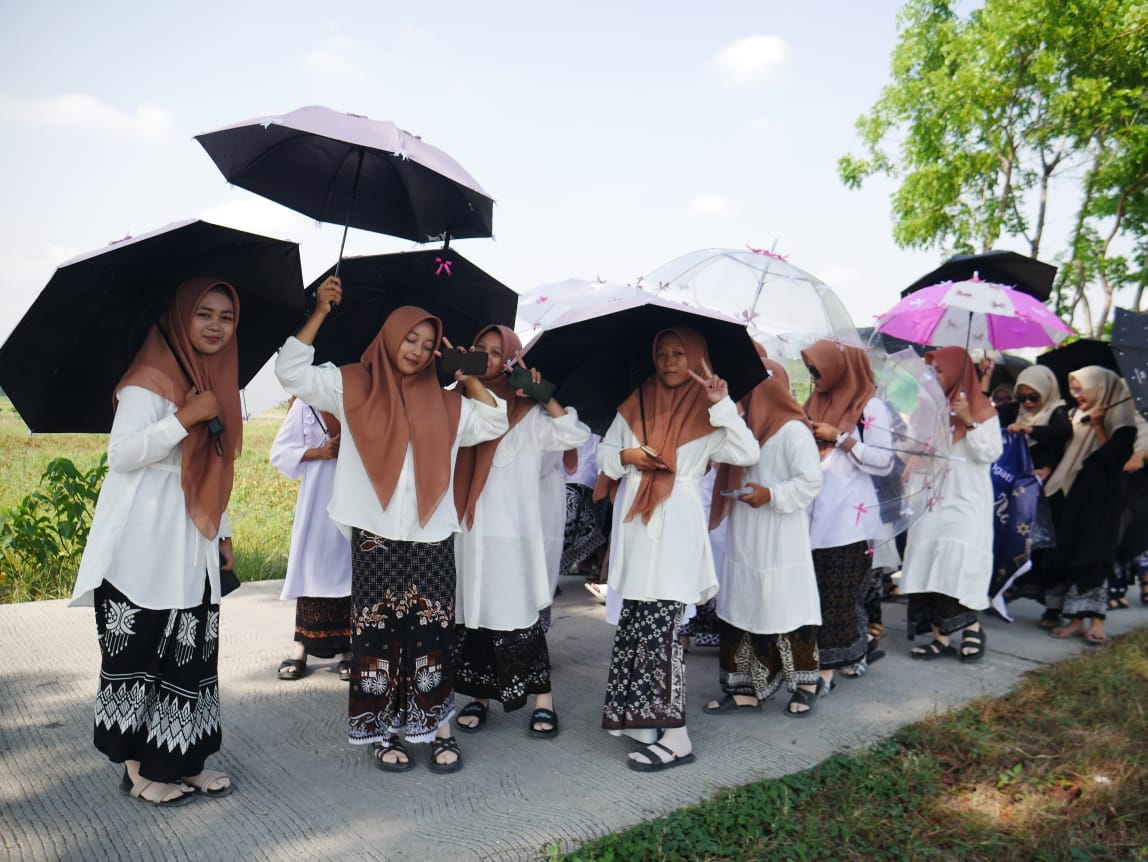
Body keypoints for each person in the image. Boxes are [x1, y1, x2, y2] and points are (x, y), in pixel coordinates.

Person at [274, 278, 509, 775]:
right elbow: (290, 372)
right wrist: (320, 311)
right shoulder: (351, 383)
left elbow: (494, 421)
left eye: (428, 345)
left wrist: (465, 374)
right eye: (410, 339)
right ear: (389, 336)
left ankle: (438, 728)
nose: (418, 350)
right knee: (377, 637)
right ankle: (384, 731)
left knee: (431, 637)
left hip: (430, 535)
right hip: (375, 535)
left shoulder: (446, 403)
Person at [72, 278, 241, 806]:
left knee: (190, 648)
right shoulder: (147, 382)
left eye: (226, 317)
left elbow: (216, 461)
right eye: (204, 314)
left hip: (193, 539)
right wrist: (181, 418)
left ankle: (185, 761)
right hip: (144, 539)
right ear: (181, 317)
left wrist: (225, 531)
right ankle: (136, 768)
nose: (215, 326)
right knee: (140, 648)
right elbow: (122, 455)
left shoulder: (213, 381)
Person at [595, 328, 758, 771]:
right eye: (662, 353)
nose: (669, 361)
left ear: (698, 359)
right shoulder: (638, 402)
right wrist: (630, 457)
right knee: (636, 627)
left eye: (679, 354)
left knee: (663, 633)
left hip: (677, 530)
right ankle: (645, 726)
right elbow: (604, 457)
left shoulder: (710, 410)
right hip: (635, 526)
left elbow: (746, 450)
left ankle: (678, 737)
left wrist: (722, 403)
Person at [452, 325, 590, 738]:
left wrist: (545, 397)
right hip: (470, 534)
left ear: (511, 361)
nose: (489, 358)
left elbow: (573, 435)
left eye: (498, 353)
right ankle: (479, 696)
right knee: (475, 617)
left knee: (519, 618)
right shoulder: (458, 405)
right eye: (482, 350)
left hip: (513, 536)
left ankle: (543, 699)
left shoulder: (529, 414)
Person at [705, 356, 824, 717]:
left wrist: (770, 495)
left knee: (786, 604)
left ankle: (806, 683)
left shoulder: (793, 431)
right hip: (745, 535)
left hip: (780, 538)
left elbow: (810, 482)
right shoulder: (745, 429)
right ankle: (744, 689)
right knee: (743, 602)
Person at [801, 340, 894, 690]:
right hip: (813, 516)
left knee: (836, 597)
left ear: (842, 367)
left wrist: (839, 437)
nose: (813, 377)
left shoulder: (870, 407)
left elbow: (884, 462)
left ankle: (824, 673)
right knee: (828, 596)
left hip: (850, 521)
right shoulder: (814, 403)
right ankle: (857, 651)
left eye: (818, 369)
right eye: (809, 370)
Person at [900, 347, 1002, 662]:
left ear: (958, 372)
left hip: (965, 501)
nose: (933, 376)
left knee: (958, 564)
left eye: (940, 370)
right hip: (931, 498)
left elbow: (990, 453)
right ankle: (940, 637)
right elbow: (910, 448)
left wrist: (968, 420)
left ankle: (971, 627)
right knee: (931, 562)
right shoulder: (928, 408)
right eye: (930, 370)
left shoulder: (982, 409)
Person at [1043, 366, 1137, 644]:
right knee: (1072, 549)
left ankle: (1097, 620)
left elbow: (1111, 460)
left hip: (1105, 496)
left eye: (1081, 388)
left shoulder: (1123, 422)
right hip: (1079, 491)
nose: (1076, 395)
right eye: (1073, 388)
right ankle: (1075, 620)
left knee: (1095, 554)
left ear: (1100, 387)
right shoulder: (1079, 416)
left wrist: (1098, 425)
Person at [269, 397, 352, 681]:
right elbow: (280, 452)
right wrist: (320, 452)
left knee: (349, 567)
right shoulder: (304, 405)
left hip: (353, 495)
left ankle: (348, 652)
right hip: (317, 499)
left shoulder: (360, 397)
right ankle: (300, 647)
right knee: (312, 566)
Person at [993, 365, 1072, 624]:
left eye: (1033, 398)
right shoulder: (1015, 411)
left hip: (1047, 486)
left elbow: (1063, 435)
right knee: (1011, 537)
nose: (1027, 403)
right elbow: (989, 418)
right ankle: (1005, 589)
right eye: (1022, 397)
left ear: (1046, 393)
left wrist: (1030, 431)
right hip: (1017, 487)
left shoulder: (1057, 410)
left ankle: (1051, 608)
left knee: (1046, 548)